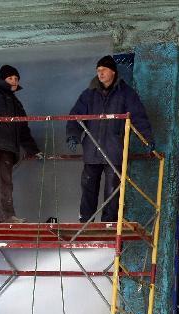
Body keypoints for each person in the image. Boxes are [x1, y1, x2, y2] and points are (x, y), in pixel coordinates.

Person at [66, 55, 153, 222]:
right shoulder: (89, 95)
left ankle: (109, 222)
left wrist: (147, 139)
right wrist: (73, 135)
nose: (100, 73)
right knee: (88, 187)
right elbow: (75, 116)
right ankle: (86, 221)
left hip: (115, 151)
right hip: (92, 149)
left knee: (113, 189)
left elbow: (139, 117)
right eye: (98, 70)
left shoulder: (126, 94)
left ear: (113, 71)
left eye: (103, 70)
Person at [0, 65, 41, 223]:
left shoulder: (16, 104)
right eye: (11, 78)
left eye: (16, 79)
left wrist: (33, 150)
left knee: (5, 182)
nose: (14, 81)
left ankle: (6, 216)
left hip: (9, 147)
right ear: (3, 79)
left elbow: (23, 129)